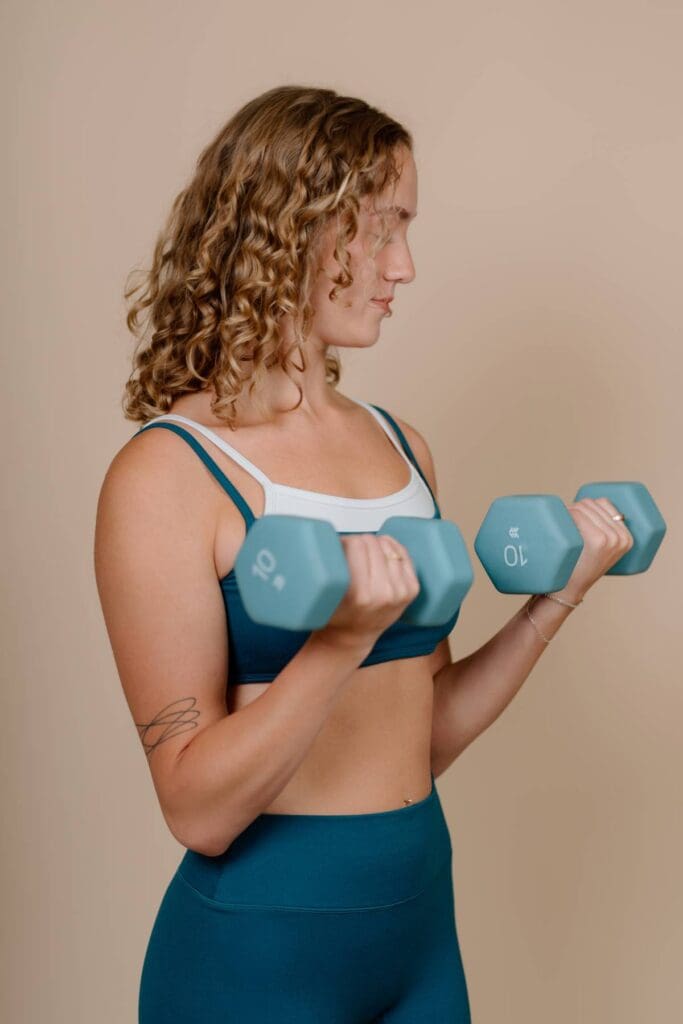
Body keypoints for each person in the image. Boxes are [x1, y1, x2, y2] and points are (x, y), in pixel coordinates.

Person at [94, 85, 633, 1024]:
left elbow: (424, 733)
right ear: (289, 230)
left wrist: (554, 602)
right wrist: (337, 645)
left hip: (418, 939)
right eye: (381, 229)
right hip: (256, 957)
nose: (404, 266)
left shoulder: (399, 447)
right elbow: (196, 809)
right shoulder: (168, 475)